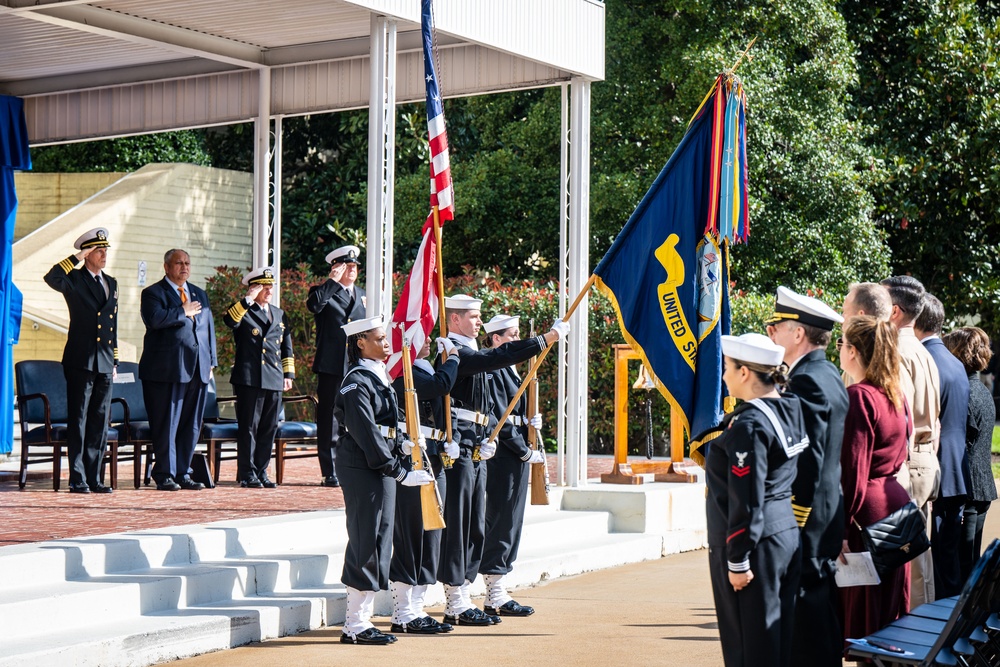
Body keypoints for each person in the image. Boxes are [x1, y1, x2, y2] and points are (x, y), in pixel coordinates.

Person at [440, 294, 568, 626]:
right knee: (463, 524)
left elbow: (486, 408)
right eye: (473, 315)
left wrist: (495, 436)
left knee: (477, 527)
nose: (479, 321)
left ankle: (473, 594)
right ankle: (456, 598)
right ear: (454, 320)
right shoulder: (455, 352)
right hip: (461, 448)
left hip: (479, 446)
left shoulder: (471, 353)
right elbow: (496, 361)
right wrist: (545, 339)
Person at [703, 333, 807, 667]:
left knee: (748, 649)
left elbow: (747, 498)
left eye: (728, 368)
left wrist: (738, 560)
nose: (723, 376)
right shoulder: (788, 406)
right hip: (784, 534)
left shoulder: (750, 424)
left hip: (753, 546)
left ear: (745, 373)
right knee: (776, 642)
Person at [335, 316, 434, 645]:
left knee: (379, 538)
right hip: (363, 465)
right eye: (379, 338)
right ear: (361, 342)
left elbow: (385, 425)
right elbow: (364, 430)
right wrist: (396, 466)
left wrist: (402, 444)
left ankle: (361, 620)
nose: (387, 343)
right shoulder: (355, 380)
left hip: (380, 464)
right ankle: (353, 623)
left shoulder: (376, 374)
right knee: (366, 538)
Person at [765, 287, 848, 666]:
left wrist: (791, 521)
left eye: (775, 327)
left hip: (809, 517)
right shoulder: (828, 372)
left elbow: (808, 460)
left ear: (797, 334)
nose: (771, 334)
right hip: (826, 510)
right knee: (820, 611)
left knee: (806, 623)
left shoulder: (808, 381)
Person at [838, 316, 913, 642]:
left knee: (868, 623)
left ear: (853, 351)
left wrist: (840, 530)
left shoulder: (860, 395)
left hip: (866, 516)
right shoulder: (893, 392)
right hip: (895, 506)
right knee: (889, 614)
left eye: (841, 344)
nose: (838, 349)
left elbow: (853, 471)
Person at [388, 334, 460, 635]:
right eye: (423, 334)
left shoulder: (424, 368)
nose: (429, 340)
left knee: (432, 533)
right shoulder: (404, 373)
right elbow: (440, 386)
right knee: (412, 534)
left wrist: (447, 439)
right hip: (413, 458)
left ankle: (416, 607)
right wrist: (454, 358)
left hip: (432, 456)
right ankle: (402, 611)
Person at [43, 227, 119, 494]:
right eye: (98, 250)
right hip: (80, 359)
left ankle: (95, 476)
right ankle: (77, 478)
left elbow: (113, 325)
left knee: (100, 421)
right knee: (79, 420)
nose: (103, 254)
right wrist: (75, 257)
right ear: (87, 253)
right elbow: (51, 277)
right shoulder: (73, 279)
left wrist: (115, 360)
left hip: (105, 362)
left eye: (105, 249)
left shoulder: (112, 282)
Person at [479, 314, 545, 618]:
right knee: (502, 520)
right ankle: (494, 591)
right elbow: (499, 418)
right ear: (496, 339)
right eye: (513, 334)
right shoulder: (492, 369)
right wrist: (522, 450)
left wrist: (532, 423)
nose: (518, 339)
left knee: (512, 522)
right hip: (505, 455)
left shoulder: (511, 370)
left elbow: (515, 412)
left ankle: (499, 588)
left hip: (516, 451)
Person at [880, 276, 940, 606]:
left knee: (909, 563)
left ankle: (912, 642)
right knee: (917, 558)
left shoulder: (897, 350)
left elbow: (896, 417)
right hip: (923, 457)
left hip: (906, 460)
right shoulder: (921, 348)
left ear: (894, 312)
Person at [139, 249, 216, 492]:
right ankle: (164, 473)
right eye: (178, 263)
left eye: (187, 263)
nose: (184, 267)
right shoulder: (153, 293)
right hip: (165, 371)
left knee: (191, 425)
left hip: (197, 368)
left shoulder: (199, 294)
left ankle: (183, 472)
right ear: (166, 267)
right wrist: (182, 311)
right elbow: (155, 319)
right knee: (167, 424)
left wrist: (211, 360)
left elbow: (208, 329)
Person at [913, 294, 969, 598]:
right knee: (948, 560)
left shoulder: (926, 360)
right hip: (957, 469)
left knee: (934, 562)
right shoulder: (954, 361)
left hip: (936, 470)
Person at [222, 267, 295, 489]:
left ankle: (262, 470)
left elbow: (286, 347)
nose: (269, 290)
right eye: (264, 286)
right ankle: (246, 472)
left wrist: (288, 374)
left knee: (268, 427)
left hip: (273, 377)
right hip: (249, 378)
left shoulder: (279, 314)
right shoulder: (244, 311)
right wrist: (247, 300)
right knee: (249, 428)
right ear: (253, 288)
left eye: (270, 286)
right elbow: (229, 321)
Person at [307, 245, 367, 488]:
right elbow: (314, 306)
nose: (352, 270)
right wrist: (331, 282)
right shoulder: (323, 292)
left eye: (354, 267)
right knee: (330, 418)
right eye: (346, 266)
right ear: (335, 268)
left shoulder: (362, 293)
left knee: (355, 416)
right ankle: (329, 470)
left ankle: (351, 464)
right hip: (332, 364)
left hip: (356, 365)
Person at [941, 327, 997, 582]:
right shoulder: (982, 390)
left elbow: (961, 441)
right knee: (970, 561)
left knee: (963, 566)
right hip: (981, 485)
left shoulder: (966, 392)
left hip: (970, 489)